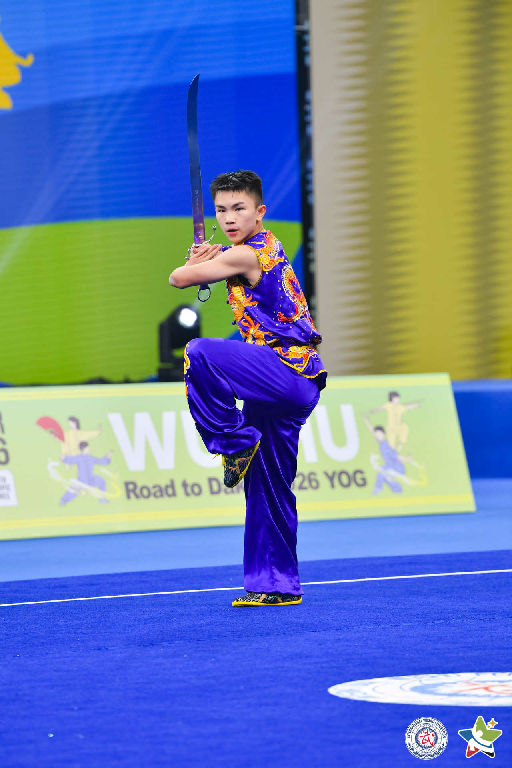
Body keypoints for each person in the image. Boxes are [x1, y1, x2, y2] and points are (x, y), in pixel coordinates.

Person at [169, 170, 327, 607]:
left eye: (239, 208)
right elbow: (211, 269)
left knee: (200, 353)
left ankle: (233, 441)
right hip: (290, 384)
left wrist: (196, 263)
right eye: (221, 210)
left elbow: (178, 280)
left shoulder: (248, 253)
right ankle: (276, 586)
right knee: (268, 485)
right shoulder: (250, 249)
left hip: (286, 371)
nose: (229, 217)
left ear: (260, 212)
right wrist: (207, 260)